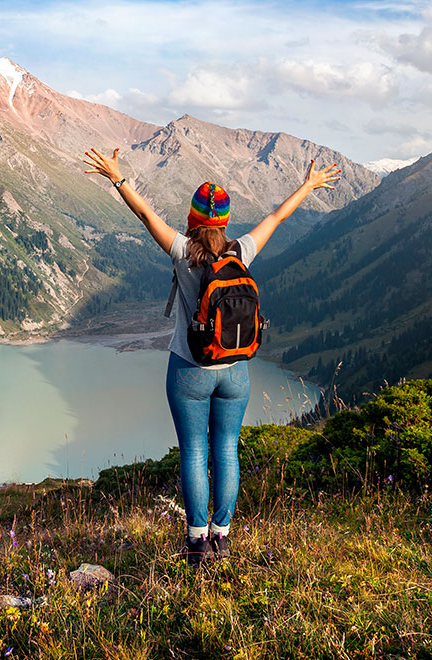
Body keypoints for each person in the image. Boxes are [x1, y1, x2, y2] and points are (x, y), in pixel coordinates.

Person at [82, 147, 340, 566]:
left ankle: (196, 541)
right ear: (223, 222)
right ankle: (222, 535)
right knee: (226, 450)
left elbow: (147, 216)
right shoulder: (241, 251)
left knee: (194, 453)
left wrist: (117, 177)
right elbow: (278, 218)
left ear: (193, 219)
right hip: (235, 371)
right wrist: (307, 186)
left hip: (189, 369)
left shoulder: (184, 253)